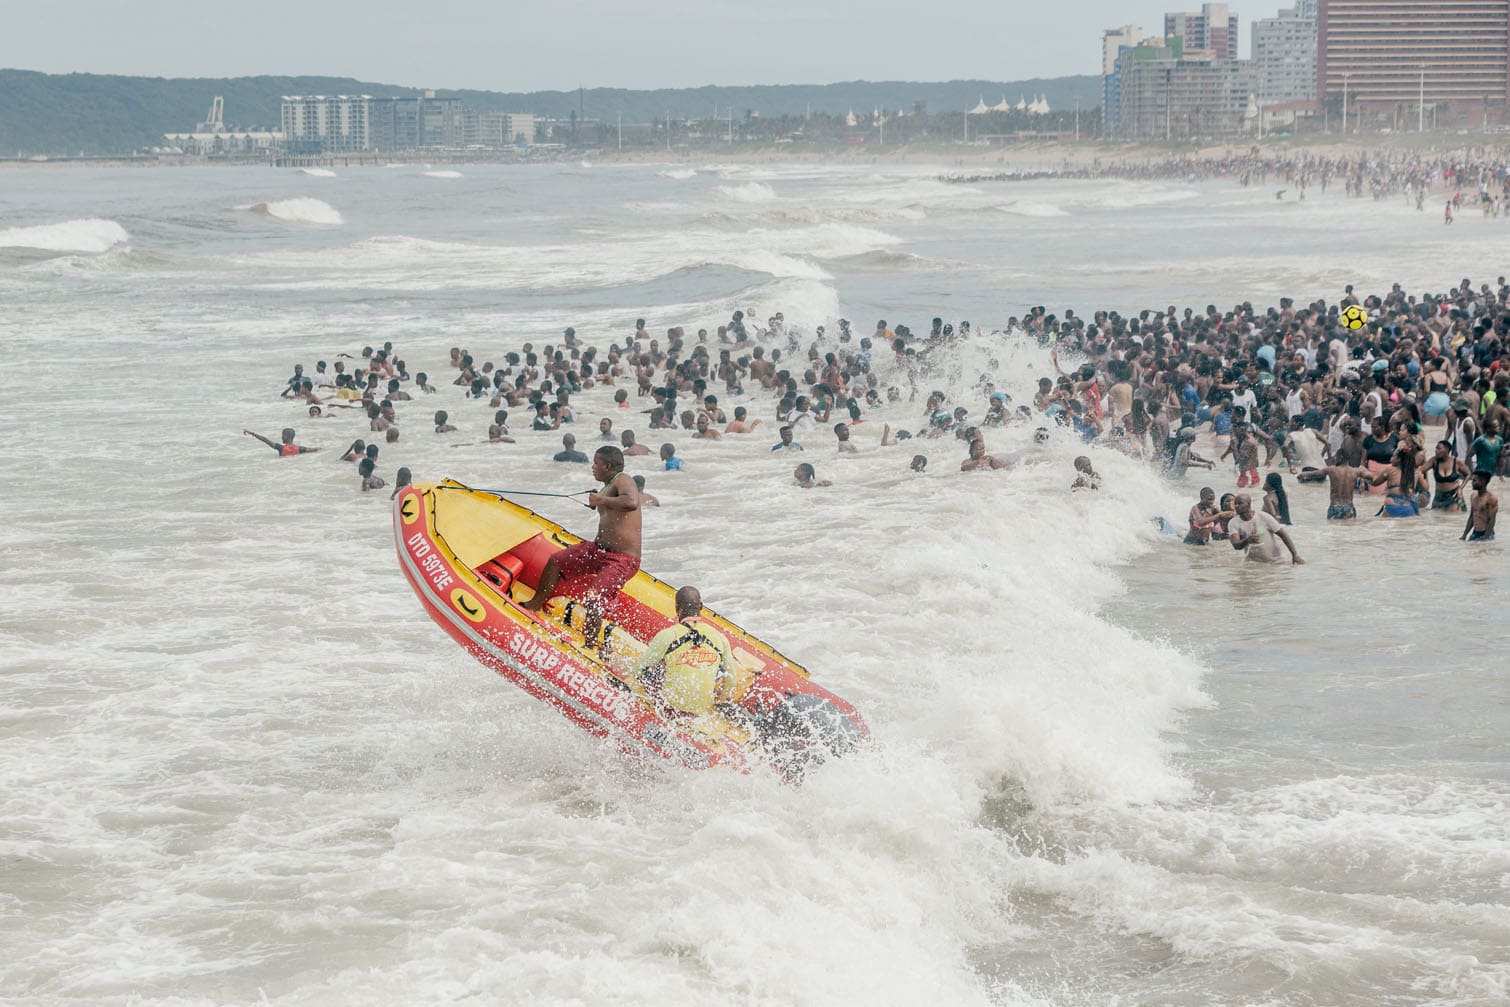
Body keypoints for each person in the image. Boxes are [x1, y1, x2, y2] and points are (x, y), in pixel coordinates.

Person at [521, 446, 641, 656]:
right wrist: (599, 500)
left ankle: (590, 645)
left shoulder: (623, 479)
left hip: (622, 559)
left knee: (595, 595)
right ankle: (535, 604)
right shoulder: (607, 486)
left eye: (596, 463)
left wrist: (601, 500)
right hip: (598, 550)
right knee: (555, 561)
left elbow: (631, 502)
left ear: (608, 466)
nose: (593, 467)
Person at [632, 586, 739, 716]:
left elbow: (639, 670)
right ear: (701, 606)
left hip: (671, 707)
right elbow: (732, 681)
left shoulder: (668, 635)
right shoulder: (721, 639)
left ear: (678, 609)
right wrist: (719, 700)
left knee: (654, 671)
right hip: (702, 710)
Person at [1228, 493, 1304, 564]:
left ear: (1249, 504)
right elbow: (1235, 545)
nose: (1237, 506)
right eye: (1235, 504)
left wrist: (1295, 555)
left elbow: (1283, 535)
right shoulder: (1233, 523)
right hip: (1254, 564)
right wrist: (1247, 540)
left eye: (1240, 503)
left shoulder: (1263, 517)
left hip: (1275, 561)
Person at [1297, 461, 1386, 519]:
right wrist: (1362, 468)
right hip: (1348, 508)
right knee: (1348, 534)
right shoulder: (1355, 471)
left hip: (1334, 508)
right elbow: (1370, 476)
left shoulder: (1331, 469)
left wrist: (1302, 475)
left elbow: (1314, 474)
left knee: (1334, 533)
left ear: (1340, 458)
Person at [1430, 440, 1469, 510]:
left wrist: (1460, 488)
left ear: (1447, 450)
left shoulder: (1456, 462)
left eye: (1439, 448)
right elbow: (1420, 471)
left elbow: (1468, 474)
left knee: (1453, 518)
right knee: (1436, 517)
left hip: (1453, 495)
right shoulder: (1434, 461)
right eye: (1436, 448)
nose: (1436, 451)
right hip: (1439, 496)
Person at [1462, 471, 1499, 541]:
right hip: (1475, 533)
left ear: (1483, 481)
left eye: (1475, 480)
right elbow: (1471, 518)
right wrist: (1464, 535)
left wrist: (1486, 537)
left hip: (1486, 533)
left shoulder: (1491, 498)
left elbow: (1492, 520)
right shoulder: (1473, 496)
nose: (1472, 483)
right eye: (1472, 480)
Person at [244, 427, 318, 456]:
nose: (281, 437)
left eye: (282, 435)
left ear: (285, 437)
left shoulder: (281, 448)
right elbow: (314, 449)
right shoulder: (300, 448)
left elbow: (265, 440)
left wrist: (252, 433)